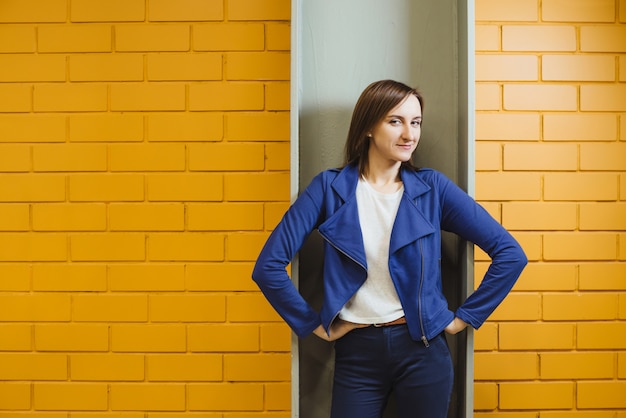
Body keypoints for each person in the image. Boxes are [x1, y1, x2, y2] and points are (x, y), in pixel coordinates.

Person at [252, 79, 527, 418]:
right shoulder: (328, 188)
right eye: (395, 121)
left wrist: (463, 319)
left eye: (416, 122)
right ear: (368, 126)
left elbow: (510, 253)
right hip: (357, 353)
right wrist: (314, 326)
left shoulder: (433, 189)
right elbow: (267, 266)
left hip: (423, 351)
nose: (409, 134)